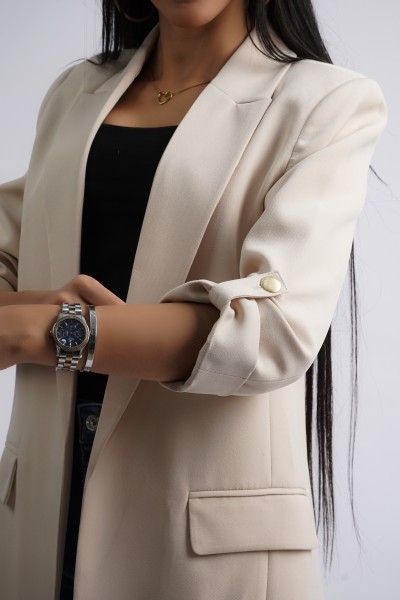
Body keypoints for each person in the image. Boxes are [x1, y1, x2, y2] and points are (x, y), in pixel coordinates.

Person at [0, 0, 387, 598]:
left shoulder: (326, 101)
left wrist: (48, 331)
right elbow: (13, 246)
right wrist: (39, 303)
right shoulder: (76, 91)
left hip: (201, 549)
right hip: (43, 519)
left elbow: (274, 330)